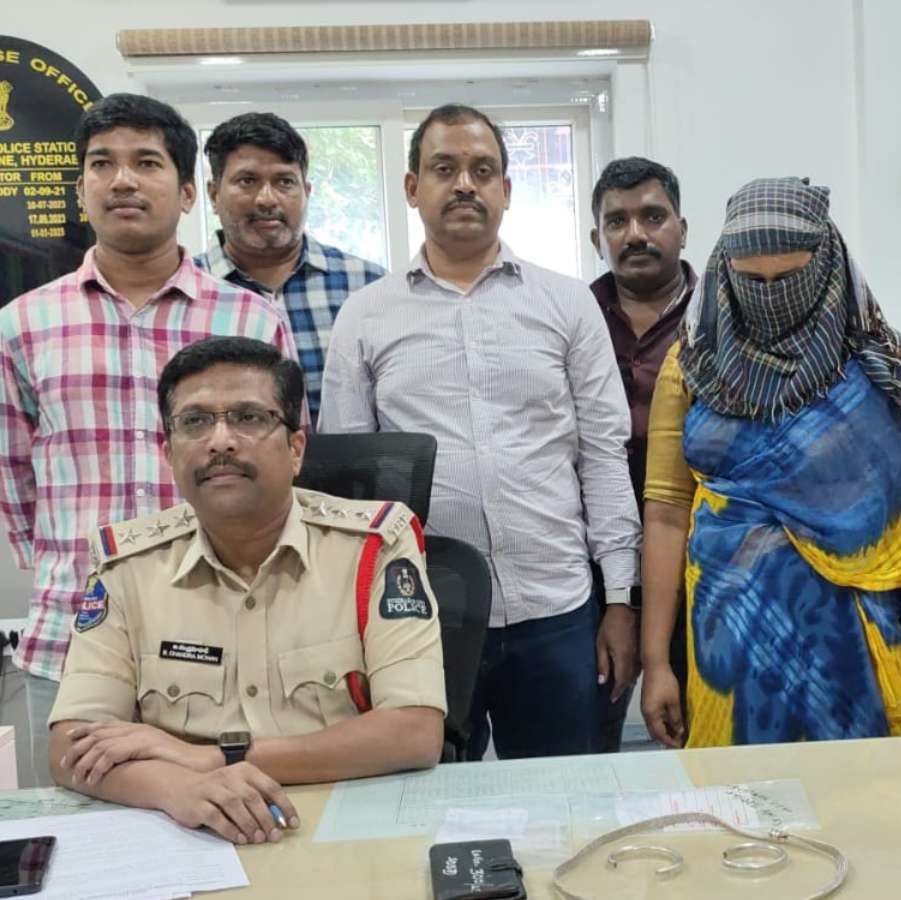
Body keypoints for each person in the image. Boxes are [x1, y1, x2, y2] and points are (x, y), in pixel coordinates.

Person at [320, 105, 640, 760]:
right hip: (421, 619)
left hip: (557, 609)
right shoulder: (365, 316)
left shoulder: (566, 303)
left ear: (506, 190)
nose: (465, 184)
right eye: (445, 168)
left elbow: (603, 456)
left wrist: (620, 599)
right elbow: (350, 492)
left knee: (565, 797)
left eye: (483, 170)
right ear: (413, 188)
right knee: (427, 799)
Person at [0, 94, 298, 787]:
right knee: (77, 841)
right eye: (102, 164)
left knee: (237, 824)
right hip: (72, 641)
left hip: (226, 638)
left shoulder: (252, 321)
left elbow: (281, 473)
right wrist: (65, 563)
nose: (123, 181)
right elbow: (13, 478)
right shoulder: (22, 326)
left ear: (189, 191)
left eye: (146, 162)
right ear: (81, 189)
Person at [48, 337, 445, 845]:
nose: (220, 441)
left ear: (296, 449)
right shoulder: (127, 566)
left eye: (248, 418)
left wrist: (211, 759)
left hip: (345, 827)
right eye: (195, 421)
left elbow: (415, 732)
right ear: (168, 453)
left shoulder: (374, 547)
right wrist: (178, 788)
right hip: (188, 835)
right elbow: (70, 746)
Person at [638, 177, 901, 749]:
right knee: (739, 798)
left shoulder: (881, 365)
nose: (770, 297)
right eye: (751, 281)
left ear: (827, 266)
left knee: (859, 797)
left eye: (790, 278)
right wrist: (656, 663)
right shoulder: (693, 365)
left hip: (858, 640)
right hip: (728, 647)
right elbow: (666, 515)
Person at [587, 156, 696, 752]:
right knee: (589, 739)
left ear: (682, 227)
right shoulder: (571, 317)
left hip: (698, 560)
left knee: (698, 738)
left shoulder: (722, 319)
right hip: (592, 565)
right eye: (617, 221)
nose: (635, 234)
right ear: (596, 238)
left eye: (653, 217)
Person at [195, 112, 386, 422]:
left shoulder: (368, 287)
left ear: (307, 193)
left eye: (284, 182)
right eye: (247, 181)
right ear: (214, 195)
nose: (266, 199)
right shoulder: (184, 290)